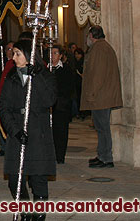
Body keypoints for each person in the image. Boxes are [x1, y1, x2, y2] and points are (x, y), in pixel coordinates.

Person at [0, 39, 56, 221]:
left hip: (38, 132)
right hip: (18, 132)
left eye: (17, 54)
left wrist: (35, 77)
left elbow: (49, 100)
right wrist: (15, 130)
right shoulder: (11, 77)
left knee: (38, 178)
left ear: (29, 55)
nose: (13, 57)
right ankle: (25, 212)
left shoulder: (44, 75)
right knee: (15, 179)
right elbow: (4, 108)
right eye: (13, 53)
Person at [81, 26, 123, 168]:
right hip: (103, 96)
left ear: (92, 35)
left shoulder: (99, 49)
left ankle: (106, 158)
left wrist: (91, 94)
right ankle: (102, 155)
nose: (87, 39)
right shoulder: (103, 47)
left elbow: (97, 75)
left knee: (103, 128)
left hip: (101, 97)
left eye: (88, 35)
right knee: (100, 127)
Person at [50, 45, 74, 164]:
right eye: (51, 53)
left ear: (60, 56)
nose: (52, 55)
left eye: (55, 53)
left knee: (61, 132)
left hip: (60, 106)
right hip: (46, 106)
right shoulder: (45, 69)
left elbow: (69, 88)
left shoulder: (66, 70)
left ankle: (60, 156)